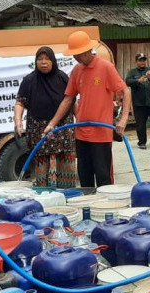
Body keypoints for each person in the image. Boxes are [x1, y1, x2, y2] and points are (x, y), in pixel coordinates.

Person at [44, 31, 131, 188]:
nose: (75, 58)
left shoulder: (105, 67)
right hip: (82, 133)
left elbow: (125, 91)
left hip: (101, 133)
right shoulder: (77, 71)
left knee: (104, 178)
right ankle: (88, 209)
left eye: (77, 54)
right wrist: (52, 123)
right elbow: (68, 98)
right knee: (84, 178)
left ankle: (107, 210)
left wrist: (123, 119)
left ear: (86, 51)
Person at [14, 46, 76, 188]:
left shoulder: (62, 78)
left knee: (65, 162)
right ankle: (43, 193)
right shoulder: (29, 80)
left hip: (62, 128)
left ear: (53, 61)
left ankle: (66, 193)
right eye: (40, 59)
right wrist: (18, 122)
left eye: (47, 59)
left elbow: (71, 101)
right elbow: (20, 103)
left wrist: (81, 122)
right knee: (41, 163)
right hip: (38, 128)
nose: (43, 62)